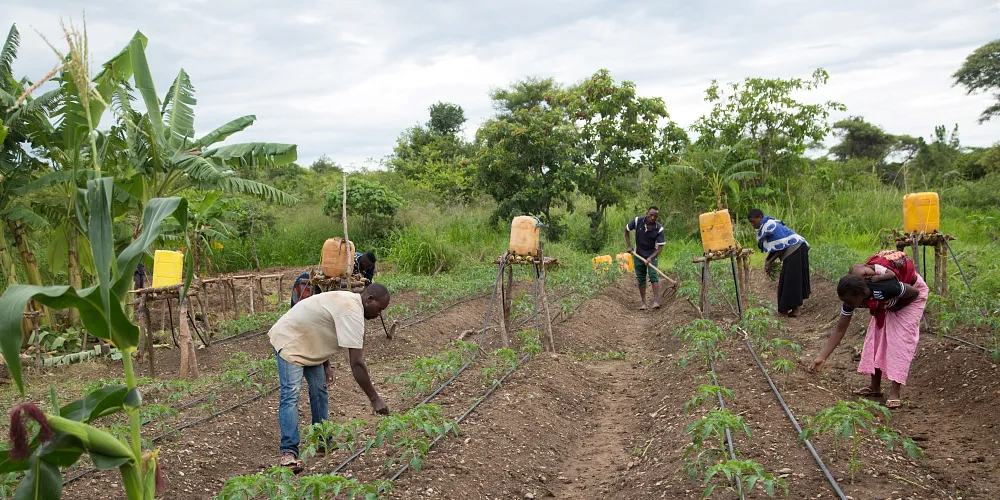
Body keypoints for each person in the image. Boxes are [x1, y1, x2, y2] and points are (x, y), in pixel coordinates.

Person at [268, 283, 392, 470]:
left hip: (309, 343)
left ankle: (323, 442)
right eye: (380, 309)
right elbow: (356, 363)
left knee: (319, 391)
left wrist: (326, 363)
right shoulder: (352, 311)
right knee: (291, 395)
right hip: (290, 341)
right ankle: (288, 453)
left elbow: (320, 324)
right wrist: (375, 399)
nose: (379, 314)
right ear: (369, 300)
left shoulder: (351, 303)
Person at [810, 272, 928, 409]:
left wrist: (894, 306)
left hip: (911, 297)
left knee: (899, 341)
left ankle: (895, 392)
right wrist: (822, 357)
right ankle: (874, 387)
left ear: (861, 294)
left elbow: (915, 293)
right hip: (887, 301)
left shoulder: (886, 288)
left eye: (849, 301)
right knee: (876, 337)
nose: (847, 304)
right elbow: (839, 330)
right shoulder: (855, 297)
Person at [748, 209, 810, 317]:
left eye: (753, 221)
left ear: (760, 218)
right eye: (751, 222)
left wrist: (770, 261)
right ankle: (792, 309)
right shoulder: (766, 225)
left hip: (795, 248)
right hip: (796, 248)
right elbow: (776, 246)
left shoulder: (770, 225)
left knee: (790, 280)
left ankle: (786, 310)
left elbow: (784, 245)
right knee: (791, 279)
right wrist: (768, 260)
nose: (753, 224)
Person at [624, 206, 666, 310]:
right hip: (638, 254)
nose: (652, 218)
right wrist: (629, 246)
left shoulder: (659, 228)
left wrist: (651, 257)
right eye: (650, 215)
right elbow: (626, 230)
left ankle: (656, 301)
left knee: (653, 275)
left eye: (655, 216)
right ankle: (643, 303)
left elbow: (660, 247)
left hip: (652, 254)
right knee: (641, 278)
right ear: (647, 213)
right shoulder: (638, 221)